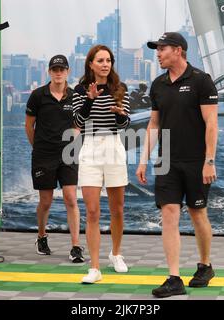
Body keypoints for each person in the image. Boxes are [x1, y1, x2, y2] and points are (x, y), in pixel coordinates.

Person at [136, 32, 218, 298]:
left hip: (196, 161)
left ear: (179, 51)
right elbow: (154, 124)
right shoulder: (158, 84)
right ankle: (174, 278)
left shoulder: (201, 81)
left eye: (162, 49)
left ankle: (205, 266)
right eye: (157, 49)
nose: (158, 54)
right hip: (166, 160)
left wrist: (209, 161)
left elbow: (212, 124)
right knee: (169, 213)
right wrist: (143, 158)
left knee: (197, 214)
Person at [72, 45, 131, 283]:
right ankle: (94, 267)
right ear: (90, 64)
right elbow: (77, 120)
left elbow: (125, 124)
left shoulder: (120, 88)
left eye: (108, 60)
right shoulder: (79, 89)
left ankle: (116, 254)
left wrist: (119, 114)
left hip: (114, 146)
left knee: (117, 209)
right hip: (91, 147)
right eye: (100, 60)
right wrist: (89, 99)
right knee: (93, 211)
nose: (105, 64)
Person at [25, 54, 84, 263]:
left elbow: (79, 122)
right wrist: (39, 147)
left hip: (68, 154)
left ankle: (76, 246)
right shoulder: (37, 95)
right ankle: (41, 236)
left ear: (67, 72)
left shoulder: (75, 97)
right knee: (46, 201)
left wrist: (73, 139)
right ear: (49, 72)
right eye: (54, 69)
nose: (58, 73)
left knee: (70, 198)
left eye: (62, 69)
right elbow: (28, 126)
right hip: (43, 155)